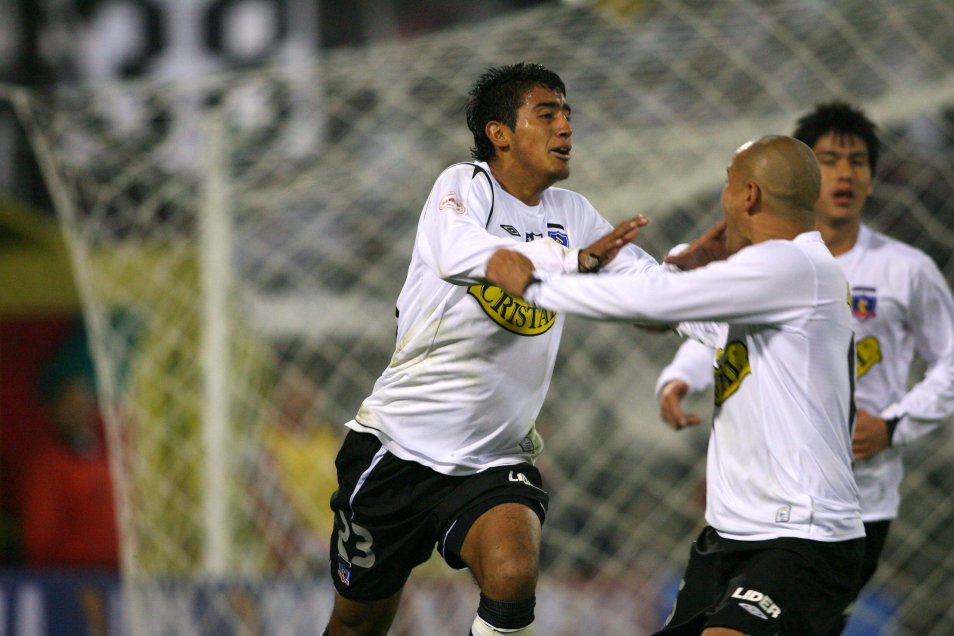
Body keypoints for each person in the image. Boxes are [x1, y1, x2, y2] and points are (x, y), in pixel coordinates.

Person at [323, 62, 665, 636]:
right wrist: (571, 265)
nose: (566, 128)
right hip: (398, 449)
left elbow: (645, 285)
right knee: (358, 624)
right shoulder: (463, 187)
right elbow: (465, 255)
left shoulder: (573, 214)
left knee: (512, 574)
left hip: (493, 457)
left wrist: (703, 289)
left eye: (568, 115)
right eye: (547, 114)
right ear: (499, 133)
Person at [488, 135, 866, 635]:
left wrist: (538, 289)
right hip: (732, 539)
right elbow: (665, 315)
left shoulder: (791, 265)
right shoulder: (774, 280)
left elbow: (658, 302)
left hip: (799, 537)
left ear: (748, 195)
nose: (724, 198)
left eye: (728, 185)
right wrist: (677, 273)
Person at [656, 102, 954, 634]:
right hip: (762, 495)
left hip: (856, 502)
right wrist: (681, 377)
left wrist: (893, 425)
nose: (845, 174)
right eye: (830, 160)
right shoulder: (756, 264)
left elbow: (950, 364)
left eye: (858, 161)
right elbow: (726, 336)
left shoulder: (907, 271)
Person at [20, 326, 119, 569]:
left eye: (83, 401)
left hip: (115, 577)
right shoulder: (49, 467)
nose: (78, 409)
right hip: (70, 580)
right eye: (69, 402)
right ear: (53, 409)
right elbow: (40, 539)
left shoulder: (105, 458)